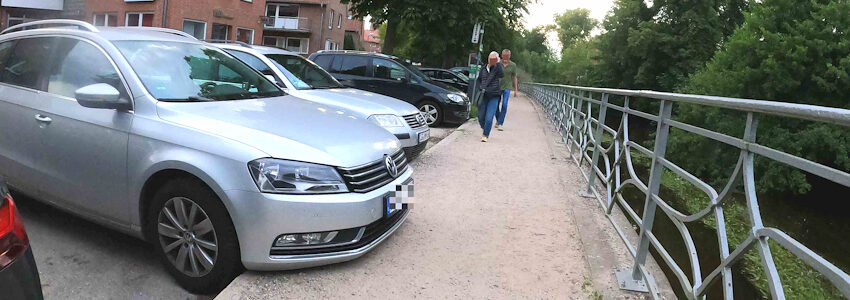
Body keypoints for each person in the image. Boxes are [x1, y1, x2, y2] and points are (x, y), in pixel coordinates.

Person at [477, 51, 504, 142]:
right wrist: (480, 88)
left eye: (493, 59)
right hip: (484, 95)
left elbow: (501, 75)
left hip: (494, 96)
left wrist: (499, 63)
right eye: (490, 58)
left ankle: (485, 135)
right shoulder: (483, 68)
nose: (491, 60)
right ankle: (484, 128)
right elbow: (479, 80)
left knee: (489, 117)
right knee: (480, 116)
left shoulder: (497, 68)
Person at [496, 49, 518, 131]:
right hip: (497, 87)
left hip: (507, 87)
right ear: (502, 55)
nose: (505, 57)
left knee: (504, 104)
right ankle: (498, 120)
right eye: (504, 55)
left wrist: (516, 90)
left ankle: (500, 123)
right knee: (495, 105)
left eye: (507, 56)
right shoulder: (498, 63)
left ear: (509, 56)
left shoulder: (513, 65)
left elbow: (515, 77)